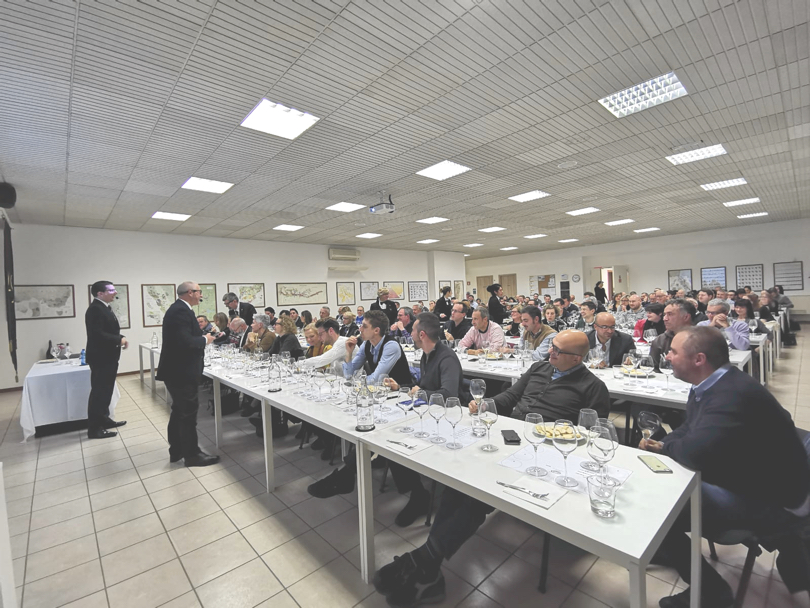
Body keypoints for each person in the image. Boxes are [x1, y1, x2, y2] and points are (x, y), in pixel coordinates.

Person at [373, 331, 610, 606]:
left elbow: (595, 434)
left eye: (557, 351)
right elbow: (511, 396)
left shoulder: (592, 387)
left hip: (545, 453)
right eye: (551, 348)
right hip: (508, 435)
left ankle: (424, 559)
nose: (550, 354)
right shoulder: (539, 368)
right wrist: (487, 404)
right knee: (459, 479)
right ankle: (427, 563)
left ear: (577, 359)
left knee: (476, 497)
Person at [641, 326, 810, 607]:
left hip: (772, 498)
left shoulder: (731, 394)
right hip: (750, 475)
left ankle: (712, 595)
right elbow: (689, 429)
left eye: (673, 352)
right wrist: (667, 442)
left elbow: (695, 452)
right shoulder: (712, 384)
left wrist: (665, 447)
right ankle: (668, 549)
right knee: (663, 493)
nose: (667, 356)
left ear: (699, 359)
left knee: (657, 511)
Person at [309, 313, 460, 526]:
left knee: (389, 434)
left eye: (413, 330)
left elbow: (448, 395)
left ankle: (352, 477)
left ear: (422, 334)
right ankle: (412, 493)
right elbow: (424, 388)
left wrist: (415, 393)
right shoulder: (427, 355)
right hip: (419, 408)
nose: (408, 333)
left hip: (444, 417)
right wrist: (403, 388)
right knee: (384, 432)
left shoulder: (445, 357)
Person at [156, 282, 218, 467]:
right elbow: (185, 341)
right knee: (187, 414)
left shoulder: (179, 309)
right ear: (190, 292)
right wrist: (204, 339)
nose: (201, 295)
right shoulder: (181, 311)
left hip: (177, 370)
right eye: (199, 292)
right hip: (181, 371)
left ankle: (176, 450)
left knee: (179, 412)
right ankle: (192, 455)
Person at [84, 281, 128, 439]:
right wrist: (119, 340)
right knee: (99, 393)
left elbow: (107, 330)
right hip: (101, 357)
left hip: (108, 356)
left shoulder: (104, 307)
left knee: (106, 391)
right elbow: (97, 334)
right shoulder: (95, 309)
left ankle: (104, 420)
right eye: (110, 290)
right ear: (99, 293)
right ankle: (94, 429)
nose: (115, 292)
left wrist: (119, 337)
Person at [650, 299, 696, 367]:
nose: (665, 318)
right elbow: (652, 368)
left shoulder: (701, 340)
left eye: (670, 314)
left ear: (686, 317)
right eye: (664, 314)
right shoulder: (660, 340)